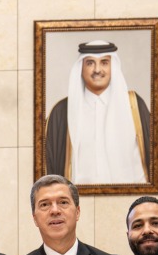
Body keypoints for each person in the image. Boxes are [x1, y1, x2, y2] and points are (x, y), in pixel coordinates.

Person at [45, 41, 151, 184]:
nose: (97, 70)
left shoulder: (134, 106)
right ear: (81, 68)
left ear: (113, 66)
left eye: (104, 63)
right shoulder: (62, 111)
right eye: (90, 63)